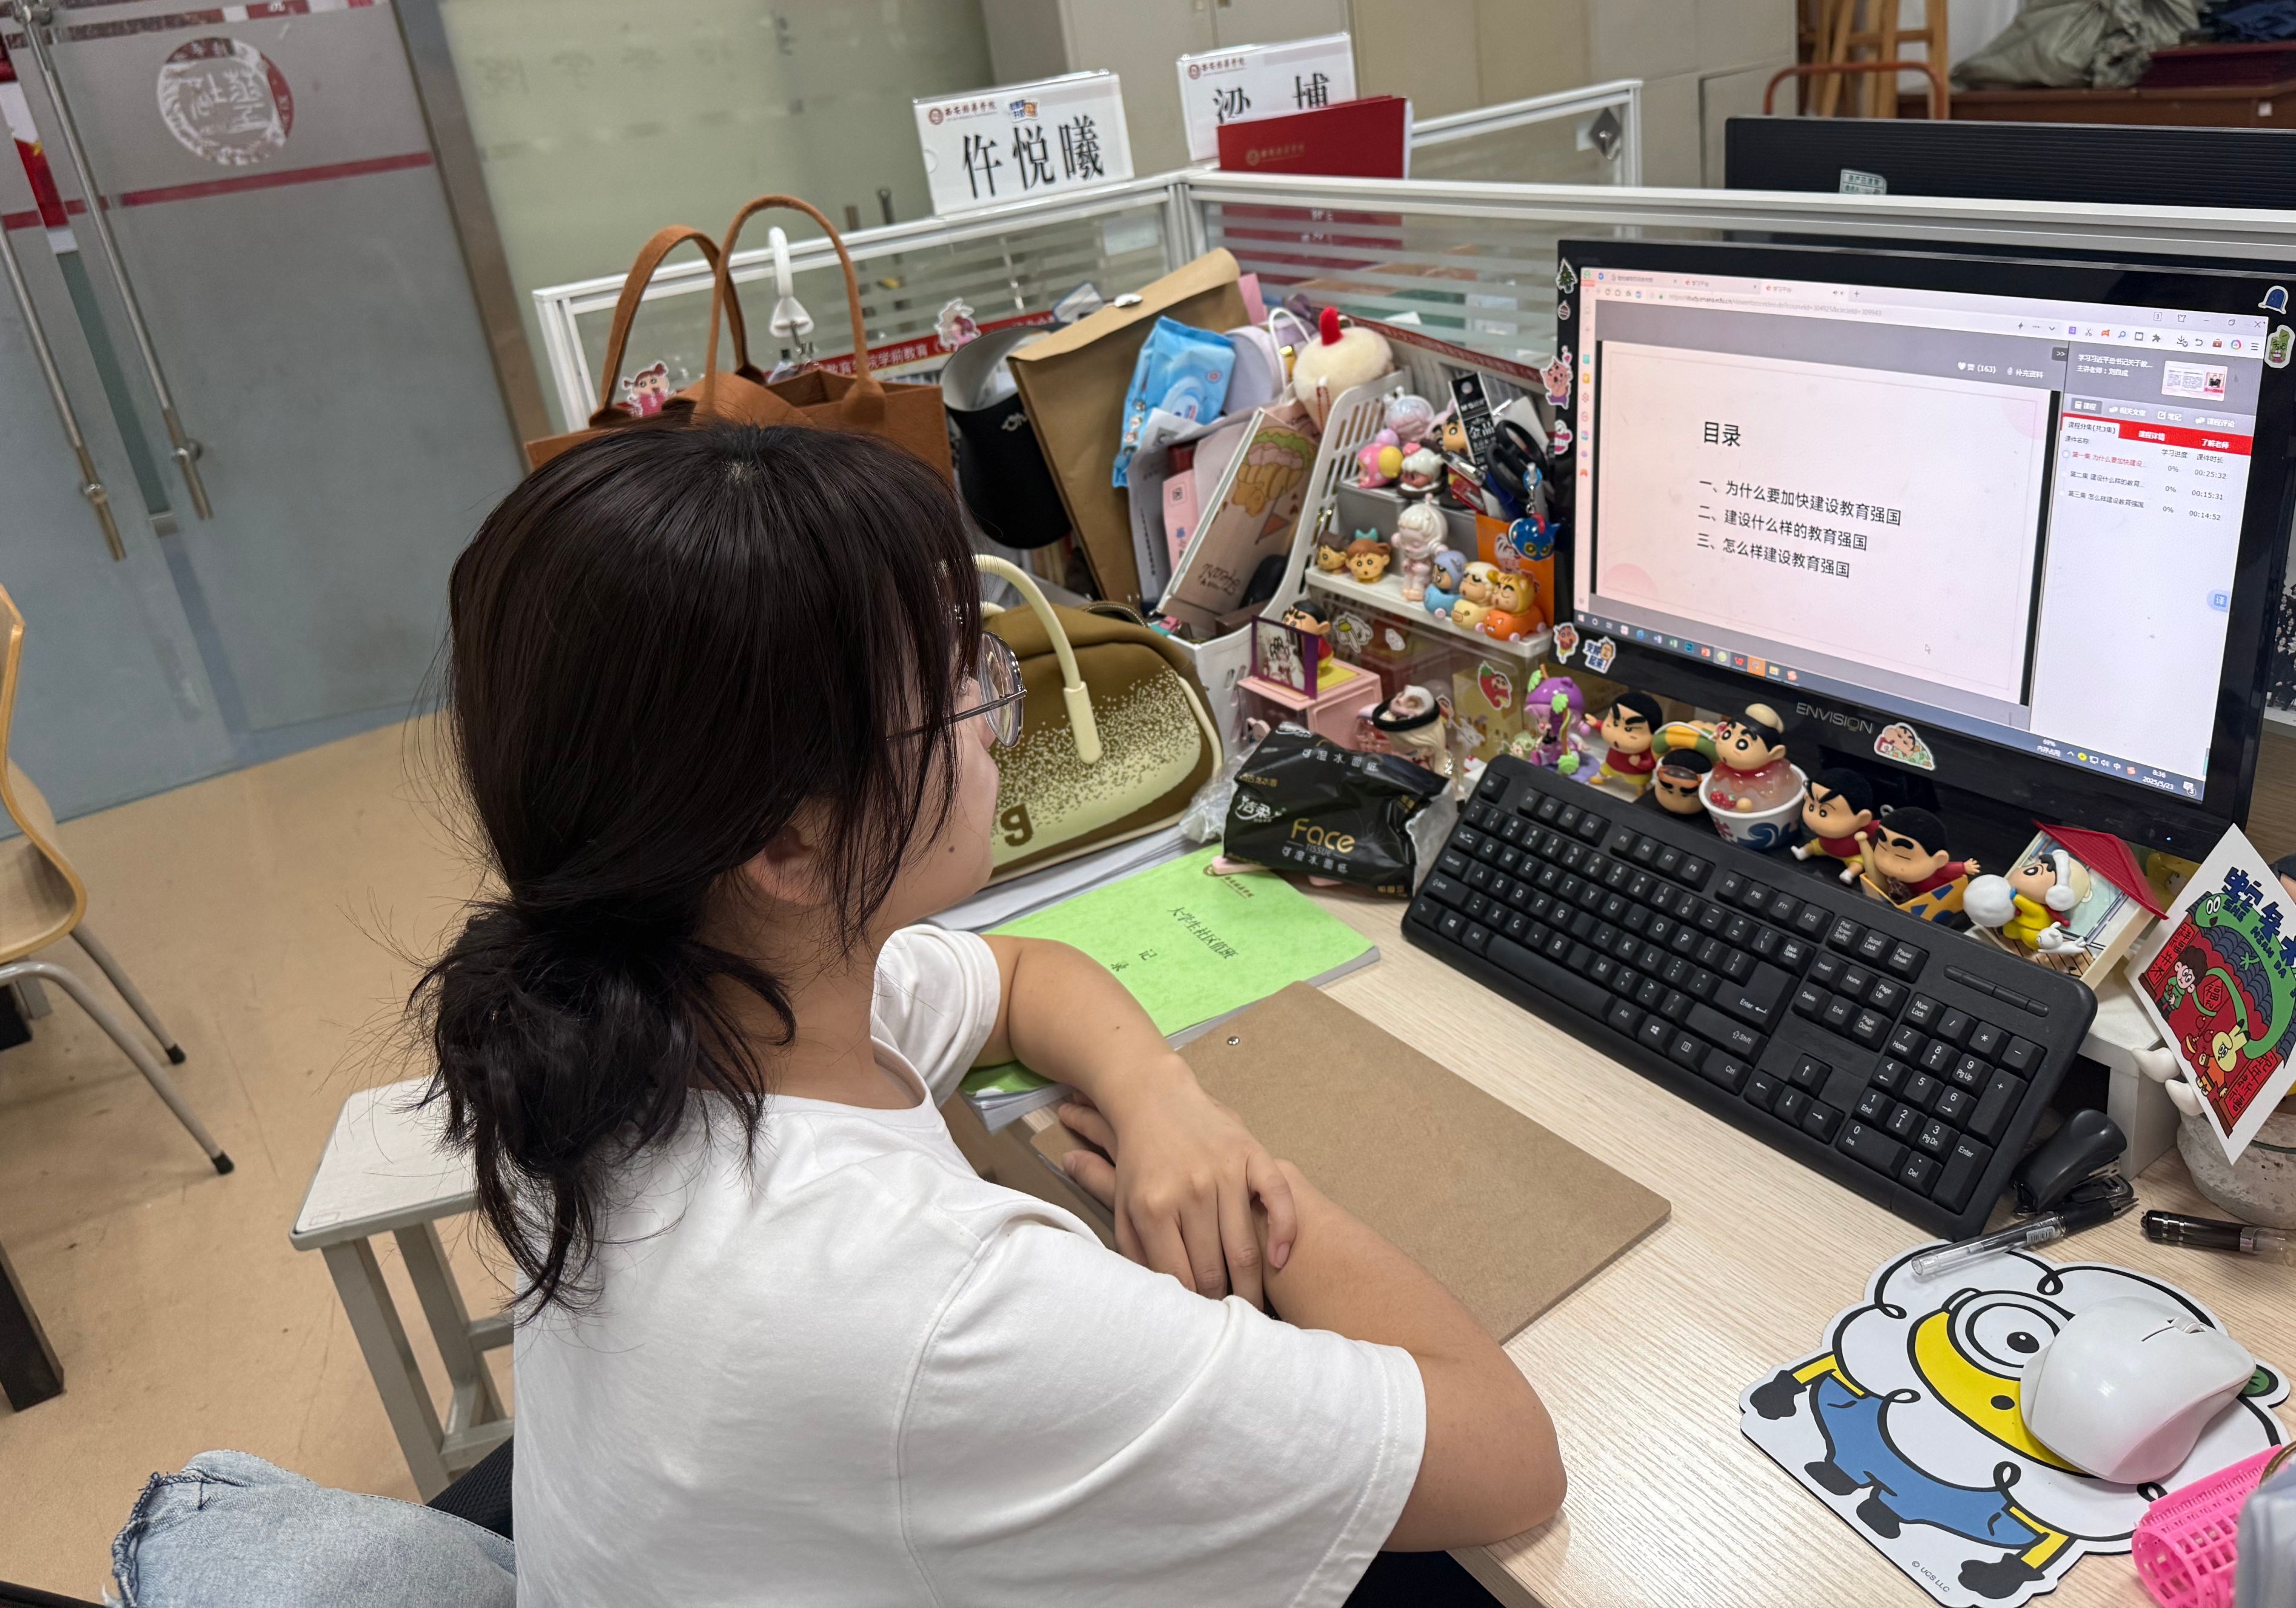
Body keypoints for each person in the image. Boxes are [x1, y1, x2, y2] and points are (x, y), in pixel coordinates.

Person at [414, 420, 1562, 1608]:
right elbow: (1507, 1456)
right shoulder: (936, 1306)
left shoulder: (629, 1004)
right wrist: (1265, 1193)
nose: (988, 710)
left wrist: (1168, 1105)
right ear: (788, 847)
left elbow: (1019, 978)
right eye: (950, 688)